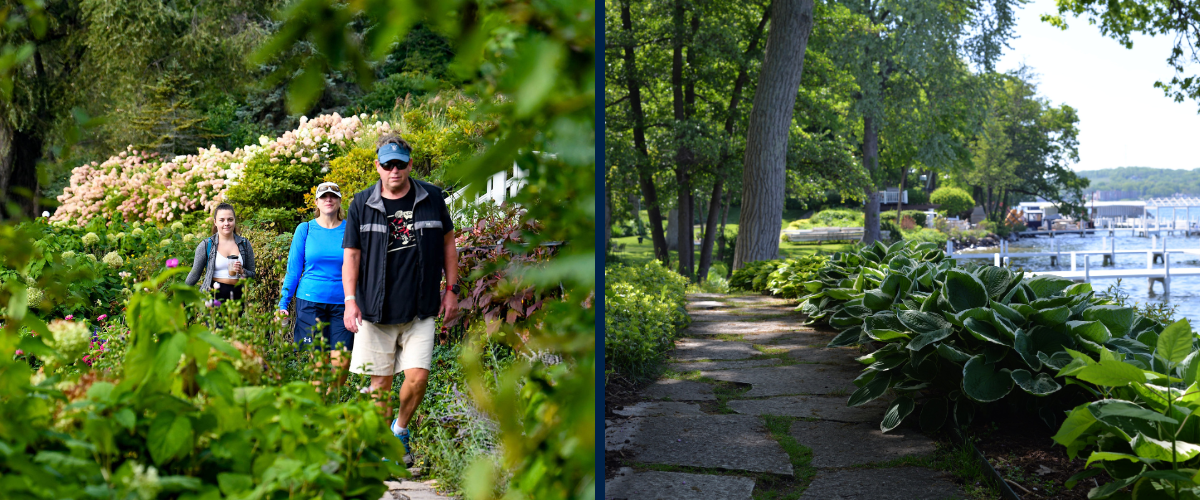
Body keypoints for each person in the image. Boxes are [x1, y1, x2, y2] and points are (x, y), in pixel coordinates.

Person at [342, 134, 459, 466]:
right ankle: (384, 448)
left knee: (418, 378)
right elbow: (351, 256)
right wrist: (350, 301)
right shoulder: (360, 203)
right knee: (379, 385)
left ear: (410, 163)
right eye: (387, 164)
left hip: (421, 307)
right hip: (374, 310)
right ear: (377, 165)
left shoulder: (433, 198)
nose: (394, 170)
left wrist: (451, 290)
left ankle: (400, 430)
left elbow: (449, 244)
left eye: (400, 163)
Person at [278, 182, 353, 387]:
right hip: (310, 303)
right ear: (316, 202)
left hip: (343, 304)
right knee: (319, 367)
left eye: (333, 196)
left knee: (341, 365)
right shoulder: (305, 229)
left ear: (339, 201)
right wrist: (283, 304)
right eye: (324, 196)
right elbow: (293, 270)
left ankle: (328, 404)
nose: (328, 200)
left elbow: (359, 268)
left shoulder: (350, 229)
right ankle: (319, 413)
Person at [185, 203, 256, 301]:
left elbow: (252, 275)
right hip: (213, 297)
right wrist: (180, 296)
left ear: (234, 221)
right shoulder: (207, 245)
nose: (226, 223)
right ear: (215, 222)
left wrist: (242, 271)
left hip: (238, 298)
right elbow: (194, 274)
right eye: (222, 220)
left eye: (230, 219)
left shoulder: (244, 244)